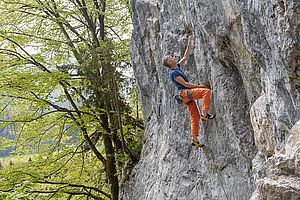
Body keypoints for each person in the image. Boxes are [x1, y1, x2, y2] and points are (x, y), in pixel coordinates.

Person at [162, 36, 215, 149]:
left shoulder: (177, 67)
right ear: (169, 63)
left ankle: (195, 140)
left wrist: (189, 43)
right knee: (206, 92)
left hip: (185, 96)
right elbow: (186, 85)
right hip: (185, 93)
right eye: (170, 58)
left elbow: (186, 56)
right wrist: (201, 86)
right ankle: (205, 114)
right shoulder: (173, 73)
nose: (172, 57)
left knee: (194, 117)